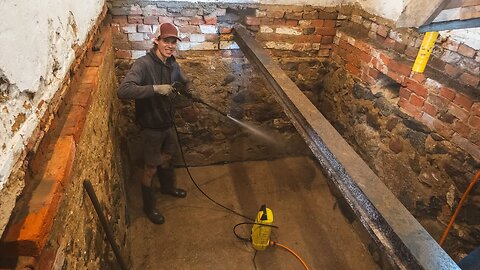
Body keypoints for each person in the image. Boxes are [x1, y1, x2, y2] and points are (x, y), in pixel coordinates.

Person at [117, 22, 193, 225]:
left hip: (168, 123)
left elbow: (183, 81)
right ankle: (148, 207)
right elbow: (123, 91)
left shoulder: (172, 64)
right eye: (166, 41)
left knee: (168, 157)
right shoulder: (143, 65)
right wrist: (155, 89)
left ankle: (168, 187)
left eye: (173, 42)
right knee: (150, 168)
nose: (170, 45)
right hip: (151, 127)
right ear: (156, 40)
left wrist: (188, 89)